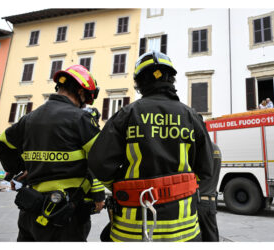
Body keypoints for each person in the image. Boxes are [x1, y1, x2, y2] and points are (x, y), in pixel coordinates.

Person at [88, 51, 214, 242]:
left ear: (139, 83)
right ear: (171, 79)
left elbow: (98, 163)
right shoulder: (191, 116)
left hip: (131, 231)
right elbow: (206, 169)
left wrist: (121, 185)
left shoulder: (126, 115)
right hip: (184, 230)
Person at [0, 64, 105, 242]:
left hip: (30, 211)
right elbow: (100, 158)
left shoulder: (30, 117)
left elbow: (1, 144)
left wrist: (21, 170)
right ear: (80, 92)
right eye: (86, 97)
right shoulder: (80, 118)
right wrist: (99, 196)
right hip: (65, 216)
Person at [197, 142, 221, 242]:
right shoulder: (216, 148)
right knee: (212, 237)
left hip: (199, 202)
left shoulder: (200, 148)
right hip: (211, 203)